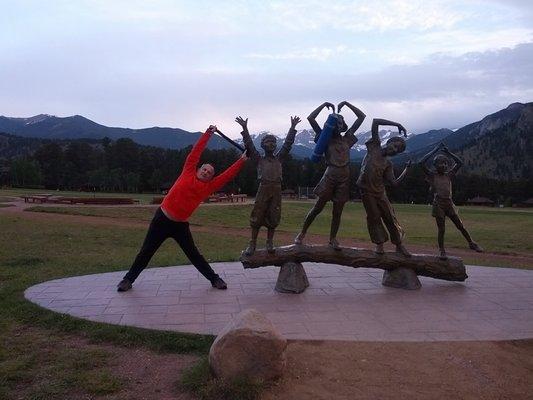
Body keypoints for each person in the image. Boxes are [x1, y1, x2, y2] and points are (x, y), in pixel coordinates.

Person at [116, 125, 247, 292]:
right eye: (204, 169)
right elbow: (195, 152)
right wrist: (208, 133)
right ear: (199, 168)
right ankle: (127, 280)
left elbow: (228, 175)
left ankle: (215, 279)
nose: (206, 172)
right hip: (161, 220)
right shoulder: (188, 172)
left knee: (194, 255)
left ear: (212, 177)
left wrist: (242, 160)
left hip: (180, 226)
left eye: (210, 172)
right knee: (146, 251)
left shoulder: (209, 187)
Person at [294, 101, 365, 249]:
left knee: (337, 212)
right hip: (330, 175)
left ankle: (333, 239)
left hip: (345, 177)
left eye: (341, 122)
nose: (338, 124)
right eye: (336, 121)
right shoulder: (324, 138)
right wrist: (323, 105)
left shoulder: (348, 138)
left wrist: (347, 104)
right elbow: (311, 119)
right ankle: (301, 233)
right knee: (317, 208)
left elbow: (361, 117)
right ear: (331, 124)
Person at [237, 115, 301, 255]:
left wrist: (292, 128)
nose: (271, 144)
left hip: (277, 190)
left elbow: (288, 144)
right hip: (263, 189)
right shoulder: (258, 159)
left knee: (274, 215)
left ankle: (269, 242)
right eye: (267, 142)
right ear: (262, 145)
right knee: (257, 215)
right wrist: (244, 128)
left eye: (273, 142)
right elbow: (249, 145)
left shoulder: (280, 158)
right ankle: (252, 243)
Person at [356, 118, 411, 256]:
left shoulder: (388, 164)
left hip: (380, 193)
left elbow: (394, 183)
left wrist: (406, 170)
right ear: (389, 142)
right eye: (395, 146)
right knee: (373, 217)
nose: (395, 150)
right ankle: (379, 245)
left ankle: (399, 245)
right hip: (366, 191)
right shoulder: (374, 146)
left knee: (389, 216)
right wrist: (397, 123)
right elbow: (375, 122)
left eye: (398, 150)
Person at [419, 142, 483, 259]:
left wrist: (448, 153)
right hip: (438, 204)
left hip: (449, 203)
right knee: (441, 229)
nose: (442, 165)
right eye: (439, 163)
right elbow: (421, 163)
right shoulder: (433, 175)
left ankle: (471, 243)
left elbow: (460, 163)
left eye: (445, 163)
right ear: (435, 165)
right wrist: (434, 150)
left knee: (460, 225)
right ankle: (442, 250)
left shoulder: (449, 175)